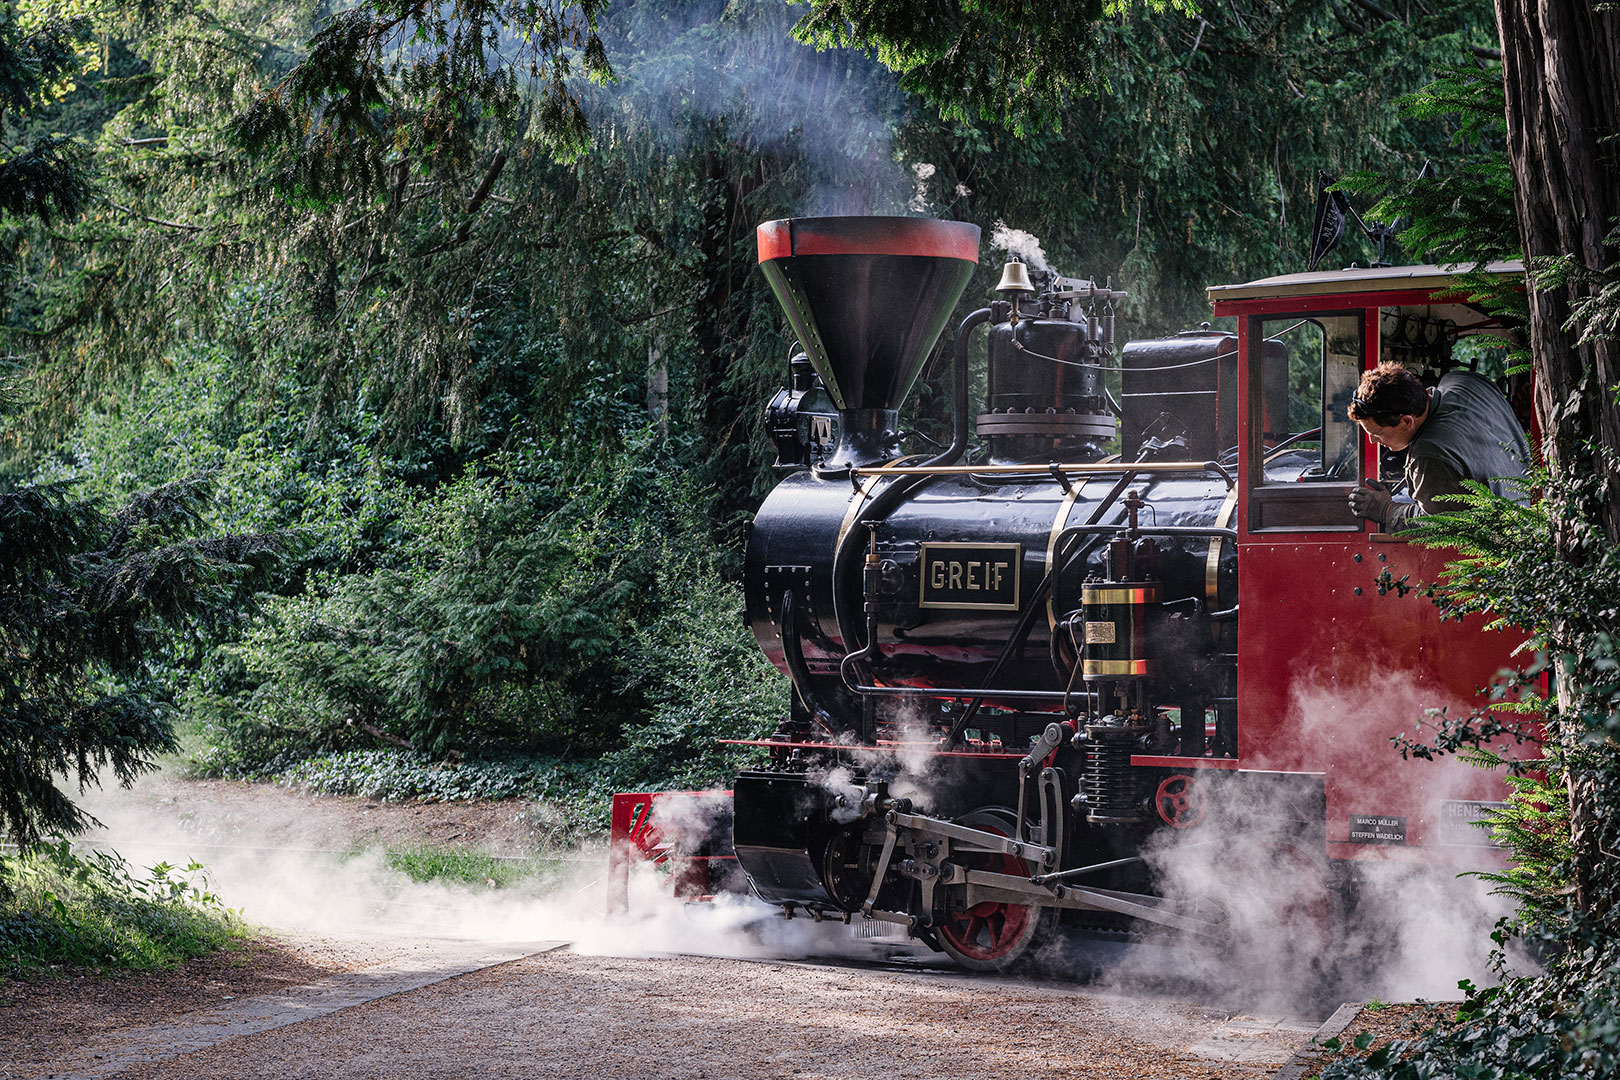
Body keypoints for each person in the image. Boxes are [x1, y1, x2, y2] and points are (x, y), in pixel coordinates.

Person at [1345, 361, 1531, 529]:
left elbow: (1437, 524)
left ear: (1407, 421)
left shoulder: (1429, 453)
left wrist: (1386, 510)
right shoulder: (1462, 380)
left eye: (1378, 434)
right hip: (1532, 509)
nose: (1373, 441)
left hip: (1504, 544)